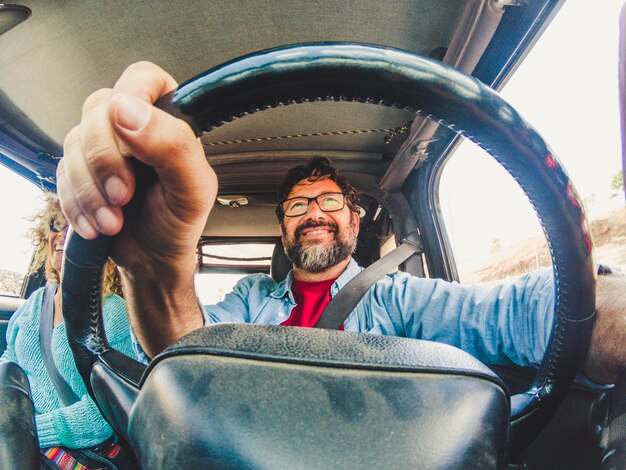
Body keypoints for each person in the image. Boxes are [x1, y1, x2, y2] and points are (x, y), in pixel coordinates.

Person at [56, 61, 625, 384]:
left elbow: (520, 311)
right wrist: (159, 273)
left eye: (329, 202)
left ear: (355, 220)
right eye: (298, 206)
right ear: (284, 228)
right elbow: (191, 357)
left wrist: (603, 305)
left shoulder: (401, 300)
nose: (314, 214)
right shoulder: (251, 298)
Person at [0, 194, 135, 469]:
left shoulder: (114, 314)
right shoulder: (34, 303)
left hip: (73, 454)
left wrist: (26, 432)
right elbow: (9, 363)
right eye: (56, 225)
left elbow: (103, 415)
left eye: (74, 228)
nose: (62, 235)